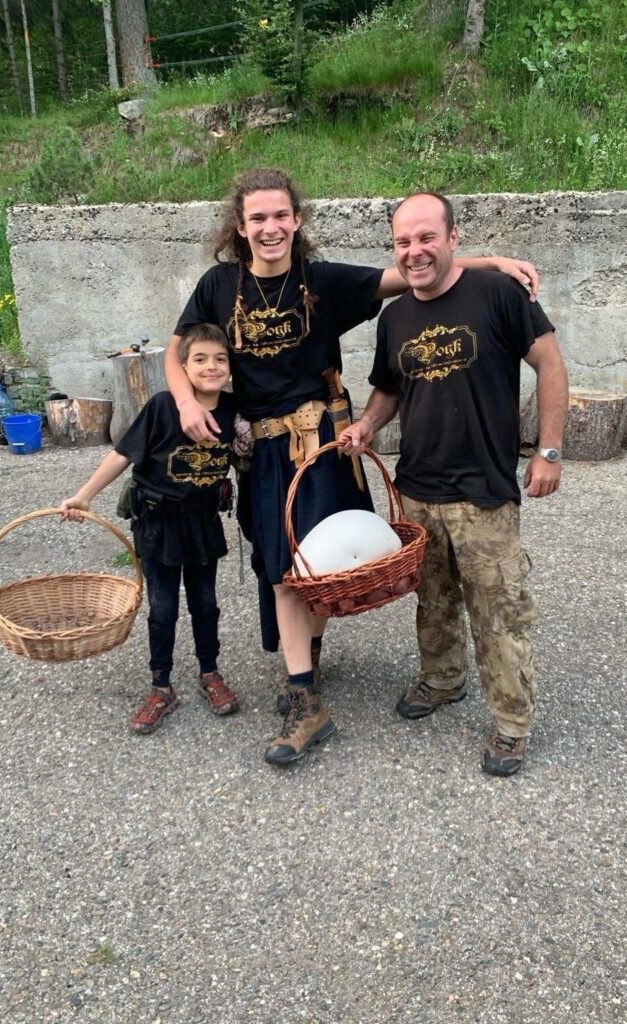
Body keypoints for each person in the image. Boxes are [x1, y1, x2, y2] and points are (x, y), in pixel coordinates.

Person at [164, 167, 541, 767]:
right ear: (240, 225)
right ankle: (304, 684)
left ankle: (303, 679)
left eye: (280, 215)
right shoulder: (218, 285)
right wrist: (187, 401)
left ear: (297, 219)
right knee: (284, 569)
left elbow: (413, 269)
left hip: (322, 446)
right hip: (264, 452)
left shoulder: (322, 282)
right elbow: (177, 349)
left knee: (318, 565)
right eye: (257, 217)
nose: (269, 227)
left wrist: (491, 261)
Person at [340, 191, 569, 777]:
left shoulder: (498, 294)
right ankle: (443, 679)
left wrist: (548, 451)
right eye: (403, 242)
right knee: (433, 598)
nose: (414, 251)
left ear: (453, 237)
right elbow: (390, 388)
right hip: (419, 489)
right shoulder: (395, 318)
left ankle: (512, 723)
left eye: (426, 237)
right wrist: (367, 425)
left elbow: (550, 363)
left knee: (498, 610)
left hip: (484, 491)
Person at [61, 324, 248, 734]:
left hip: (202, 524)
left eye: (220, 359)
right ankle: (161, 686)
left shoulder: (236, 411)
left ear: (231, 367)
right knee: (162, 610)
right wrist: (84, 495)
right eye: (200, 359)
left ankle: (210, 673)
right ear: (184, 367)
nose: (212, 367)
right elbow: (123, 454)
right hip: (158, 525)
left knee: (206, 604)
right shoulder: (164, 406)